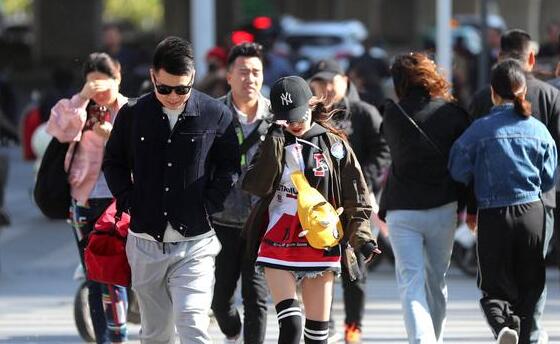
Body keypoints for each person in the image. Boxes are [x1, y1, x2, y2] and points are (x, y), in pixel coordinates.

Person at [103, 36, 240, 343]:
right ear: (153, 76)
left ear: (193, 78)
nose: (174, 96)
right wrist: (128, 200)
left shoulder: (215, 114)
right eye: (164, 88)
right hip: (144, 242)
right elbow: (113, 162)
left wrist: (210, 204)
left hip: (197, 243)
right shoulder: (133, 114)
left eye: (182, 88)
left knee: (192, 325)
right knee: (155, 334)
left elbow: (231, 166)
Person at [242, 75, 379, 344]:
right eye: (286, 118)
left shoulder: (334, 145)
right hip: (278, 236)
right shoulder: (272, 139)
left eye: (298, 116)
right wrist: (274, 141)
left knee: (317, 336)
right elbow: (255, 185)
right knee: (291, 326)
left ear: (311, 106)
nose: (294, 124)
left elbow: (356, 196)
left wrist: (362, 238)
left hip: (320, 238)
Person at [450, 59, 557, 344]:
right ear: (523, 91)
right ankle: (522, 336)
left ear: (493, 93)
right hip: (533, 212)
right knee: (530, 285)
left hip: (494, 214)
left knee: (494, 286)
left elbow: (457, 168)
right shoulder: (539, 130)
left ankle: (502, 328)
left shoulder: (480, 130)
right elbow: (549, 178)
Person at [379, 52, 470, 344]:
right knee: (436, 281)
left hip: (402, 211)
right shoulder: (453, 114)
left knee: (411, 282)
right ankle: (433, 339)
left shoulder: (392, 114)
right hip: (443, 208)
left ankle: (423, 340)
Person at [46, 52, 128, 343]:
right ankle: (105, 338)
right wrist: (82, 98)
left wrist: (113, 136)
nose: (99, 93)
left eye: (102, 85)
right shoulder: (79, 107)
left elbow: (144, 150)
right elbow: (58, 129)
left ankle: (118, 335)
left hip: (120, 204)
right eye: (91, 85)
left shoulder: (129, 110)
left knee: (115, 275)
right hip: (84, 200)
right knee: (95, 277)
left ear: (117, 77)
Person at [308, 58, 390, 343]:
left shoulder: (364, 113)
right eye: (319, 82)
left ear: (345, 80)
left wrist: (362, 179)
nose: (326, 88)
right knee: (320, 268)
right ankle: (323, 325)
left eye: (331, 81)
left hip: (355, 204)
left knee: (355, 269)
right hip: (319, 206)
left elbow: (383, 151)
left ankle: (353, 327)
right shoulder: (309, 115)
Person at [210, 42, 271, 344]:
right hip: (222, 220)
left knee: (256, 297)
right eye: (243, 72)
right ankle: (232, 332)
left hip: (263, 220)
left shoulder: (277, 118)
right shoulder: (213, 114)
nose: (250, 79)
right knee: (220, 301)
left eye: (256, 72)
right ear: (229, 76)